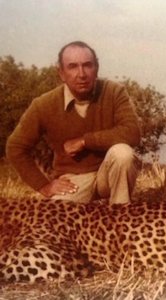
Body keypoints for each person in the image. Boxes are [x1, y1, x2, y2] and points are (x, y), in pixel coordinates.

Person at [6, 41, 141, 204]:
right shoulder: (43, 104)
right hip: (73, 180)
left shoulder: (114, 92)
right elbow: (15, 147)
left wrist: (85, 141)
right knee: (54, 217)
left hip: (109, 174)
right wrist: (43, 186)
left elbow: (132, 132)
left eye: (87, 65)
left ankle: (121, 216)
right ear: (61, 73)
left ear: (96, 68)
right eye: (73, 67)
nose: (81, 74)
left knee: (123, 153)